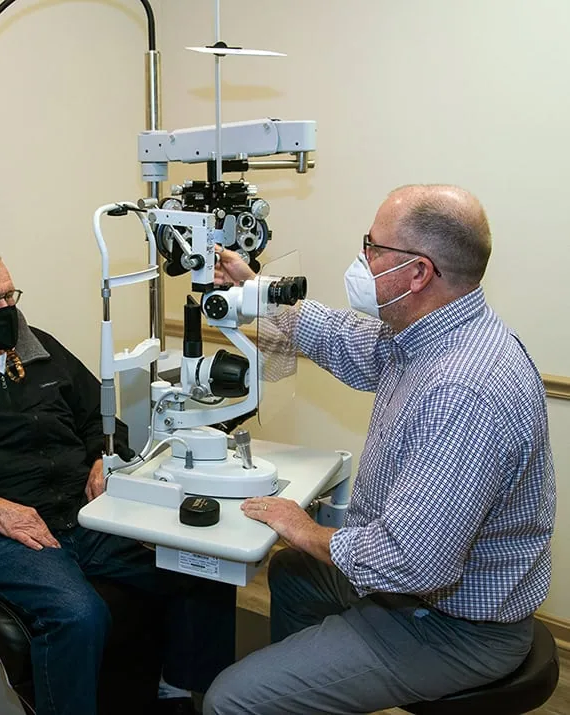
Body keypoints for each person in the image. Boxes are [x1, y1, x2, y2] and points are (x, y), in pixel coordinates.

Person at [204, 184, 556, 714]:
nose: (362, 261)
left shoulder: (462, 389)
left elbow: (411, 564)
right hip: (426, 593)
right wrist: (256, 289)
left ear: (417, 273)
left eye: (372, 248)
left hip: (450, 626)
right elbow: (346, 338)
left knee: (230, 700)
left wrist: (305, 528)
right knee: (294, 576)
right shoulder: (433, 335)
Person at [0, 244, 235, 715]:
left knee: (201, 567)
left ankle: (179, 692)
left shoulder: (36, 345)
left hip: (82, 509)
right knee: (78, 616)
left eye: (9, 296)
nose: (6, 311)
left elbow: (99, 420)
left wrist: (106, 455)